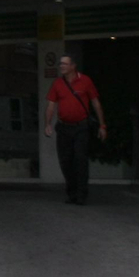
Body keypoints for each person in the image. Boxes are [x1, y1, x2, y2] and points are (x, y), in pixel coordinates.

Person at [43, 53, 107, 204]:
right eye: (60, 64)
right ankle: (72, 192)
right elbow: (51, 105)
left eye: (65, 64)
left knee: (80, 159)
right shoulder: (58, 84)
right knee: (65, 161)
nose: (61, 66)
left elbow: (95, 103)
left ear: (73, 66)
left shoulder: (85, 81)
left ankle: (81, 194)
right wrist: (47, 123)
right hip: (64, 128)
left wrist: (102, 125)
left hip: (81, 127)